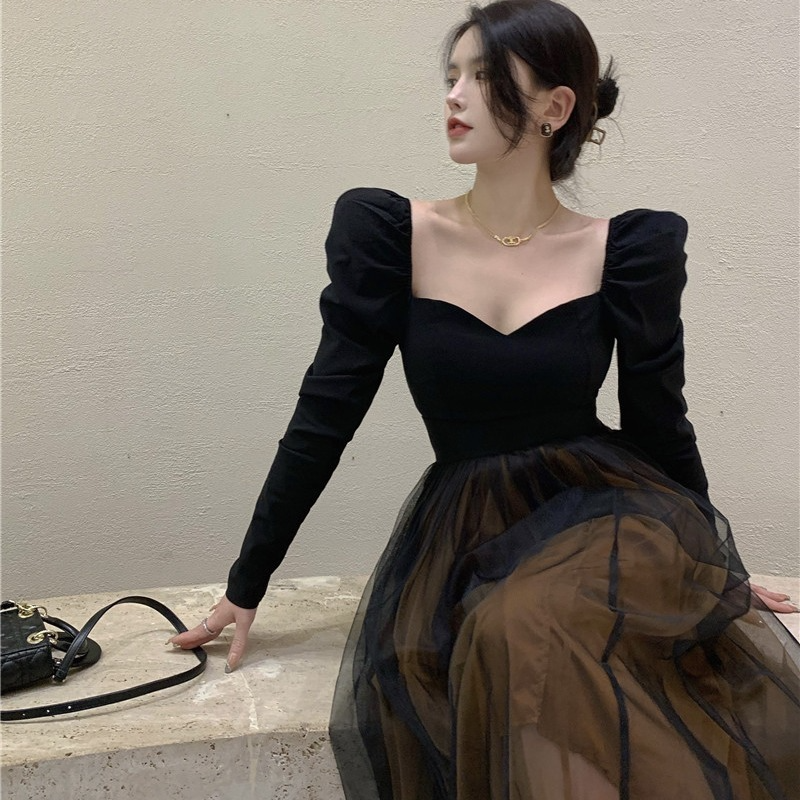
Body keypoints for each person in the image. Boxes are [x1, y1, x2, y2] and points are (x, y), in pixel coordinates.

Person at [169, 1, 800, 797]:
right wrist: (247, 580)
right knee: (495, 640)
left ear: (554, 107)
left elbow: (658, 419)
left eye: (483, 76)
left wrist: (712, 559)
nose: (454, 95)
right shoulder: (391, 235)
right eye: (451, 76)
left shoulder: (627, 250)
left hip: (605, 511)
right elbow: (325, 414)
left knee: (522, 625)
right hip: (465, 530)